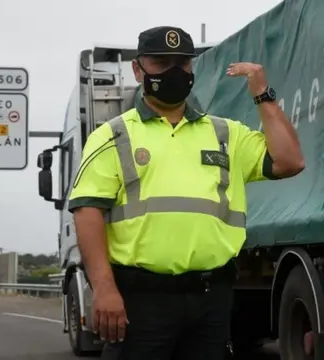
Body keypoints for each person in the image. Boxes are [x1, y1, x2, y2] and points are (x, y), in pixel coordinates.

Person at [68, 25, 304, 360]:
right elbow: (87, 212)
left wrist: (261, 93)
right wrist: (104, 289)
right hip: (141, 301)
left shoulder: (225, 134)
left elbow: (290, 161)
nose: (174, 71)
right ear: (138, 70)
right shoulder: (113, 136)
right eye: (161, 63)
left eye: (182, 63)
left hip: (211, 300)